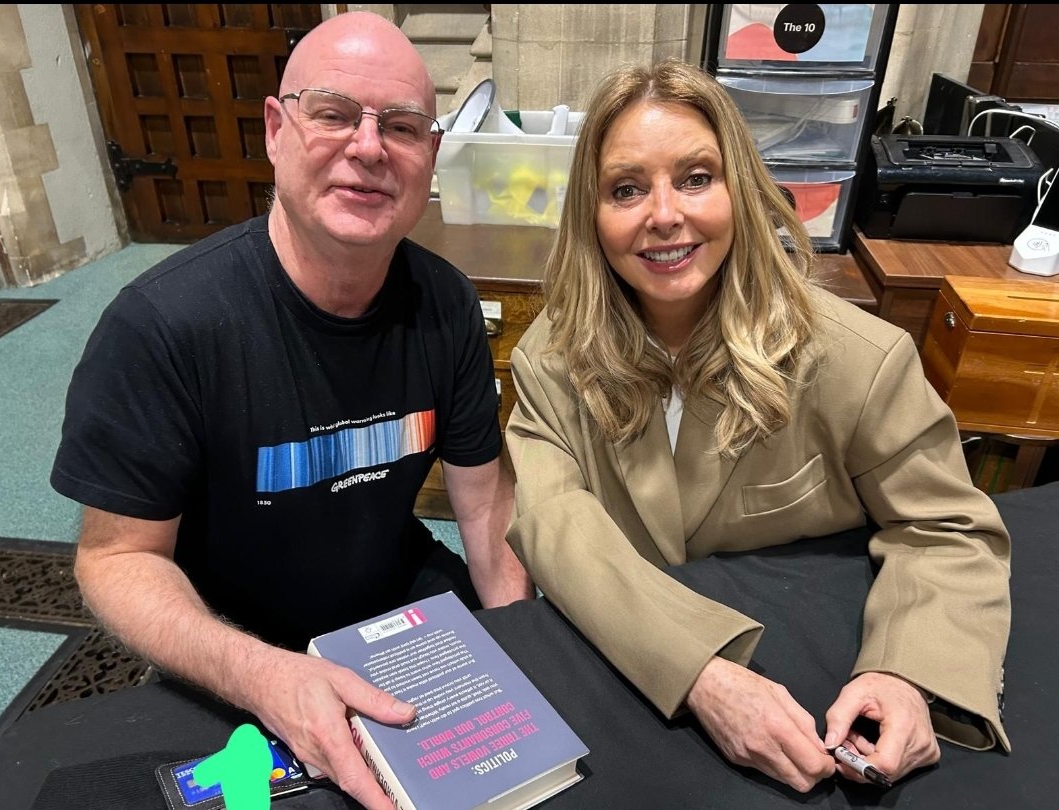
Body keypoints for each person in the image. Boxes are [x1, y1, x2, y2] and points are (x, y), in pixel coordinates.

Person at [50, 12, 532, 810]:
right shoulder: (163, 326)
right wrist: (266, 674)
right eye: (334, 114)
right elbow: (114, 561)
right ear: (276, 129)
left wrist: (525, 649)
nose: (369, 149)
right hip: (226, 638)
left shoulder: (445, 303)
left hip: (394, 607)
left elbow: (485, 508)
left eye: (403, 127)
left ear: (431, 156)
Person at [505, 58, 1011, 794]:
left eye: (695, 177)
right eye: (625, 189)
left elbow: (947, 531)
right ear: (591, 216)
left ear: (740, 188)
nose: (664, 214)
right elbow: (555, 525)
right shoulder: (550, 358)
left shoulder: (858, 360)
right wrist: (703, 675)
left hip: (815, 682)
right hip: (628, 682)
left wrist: (905, 674)